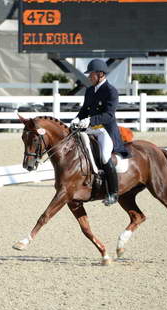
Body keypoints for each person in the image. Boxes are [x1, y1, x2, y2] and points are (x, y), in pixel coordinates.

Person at [70, 59, 130, 206]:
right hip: (90, 129)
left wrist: (90, 120)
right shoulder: (90, 90)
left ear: (100, 74)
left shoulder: (111, 91)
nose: (89, 77)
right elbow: (85, 109)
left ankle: (113, 193)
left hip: (105, 131)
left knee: (104, 157)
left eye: (91, 74)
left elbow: (109, 115)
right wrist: (78, 118)